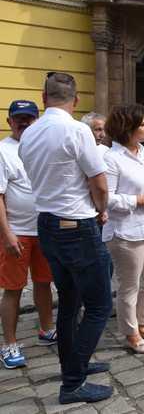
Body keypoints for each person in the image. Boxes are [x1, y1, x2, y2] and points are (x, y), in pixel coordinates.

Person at [19, 72, 113, 404]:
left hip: (46, 224)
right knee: (101, 304)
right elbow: (99, 183)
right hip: (78, 225)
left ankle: (74, 366)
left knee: (70, 302)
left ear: (44, 97)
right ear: (75, 100)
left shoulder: (29, 133)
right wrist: (101, 209)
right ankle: (72, 382)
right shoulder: (76, 130)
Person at [103, 104, 144, 354]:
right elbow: (105, 198)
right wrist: (138, 200)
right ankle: (131, 333)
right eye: (142, 124)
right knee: (129, 285)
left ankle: (142, 322)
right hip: (125, 231)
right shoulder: (111, 158)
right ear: (127, 128)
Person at [0, 100, 56, 370]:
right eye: (19, 118)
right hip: (17, 232)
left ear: (37, 121)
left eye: (29, 118)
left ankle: (47, 329)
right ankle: (9, 344)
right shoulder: (2, 150)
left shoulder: (42, 147)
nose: (24, 122)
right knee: (13, 289)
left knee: (45, 283)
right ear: (10, 121)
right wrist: (7, 234)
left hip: (44, 229)